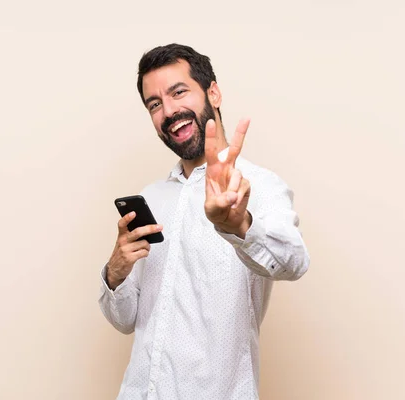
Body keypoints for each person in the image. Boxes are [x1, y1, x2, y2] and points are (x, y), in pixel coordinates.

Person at [98, 43, 310, 400]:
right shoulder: (151, 197)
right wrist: (115, 272)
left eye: (178, 92)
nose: (168, 111)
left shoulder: (258, 185)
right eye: (154, 104)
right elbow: (125, 320)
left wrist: (238, 225)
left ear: (213, 91)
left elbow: (295, 263)